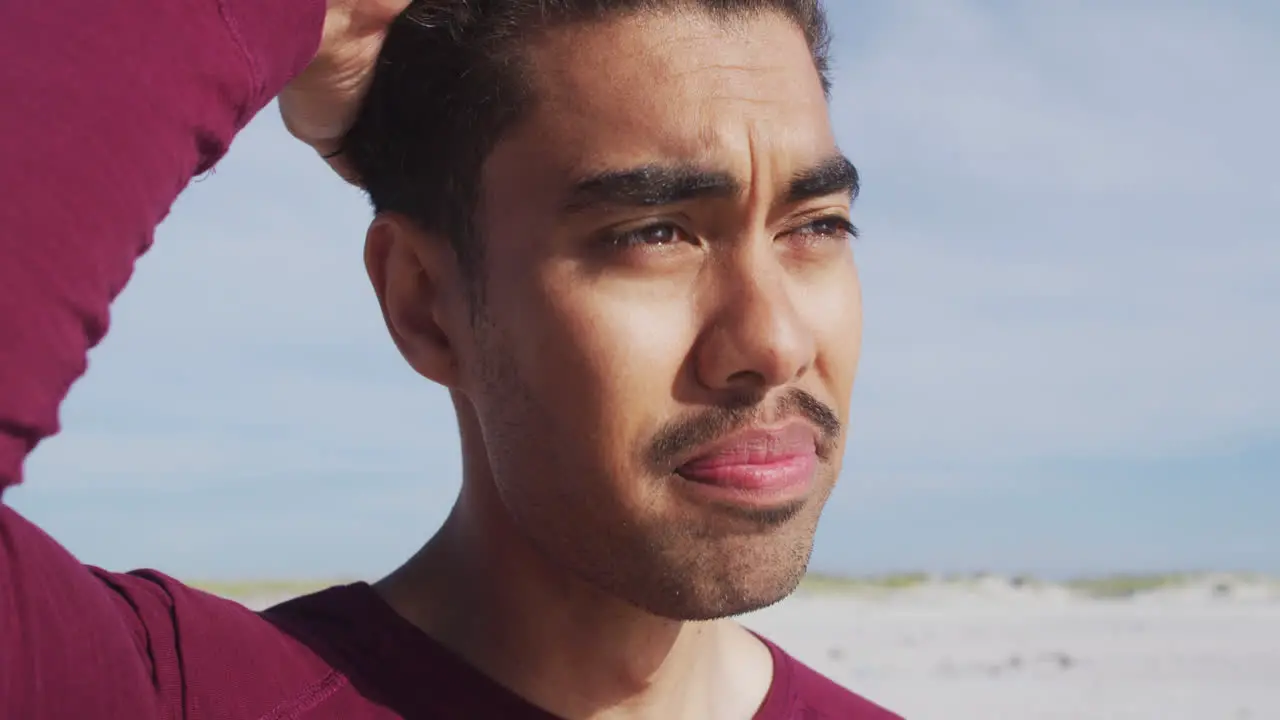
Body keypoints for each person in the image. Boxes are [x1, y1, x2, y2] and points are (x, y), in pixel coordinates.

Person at [0, 0, 898, 717]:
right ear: (424, 304)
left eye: (814, 226)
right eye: (652, 233)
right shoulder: (191, 698)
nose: (775, 342)